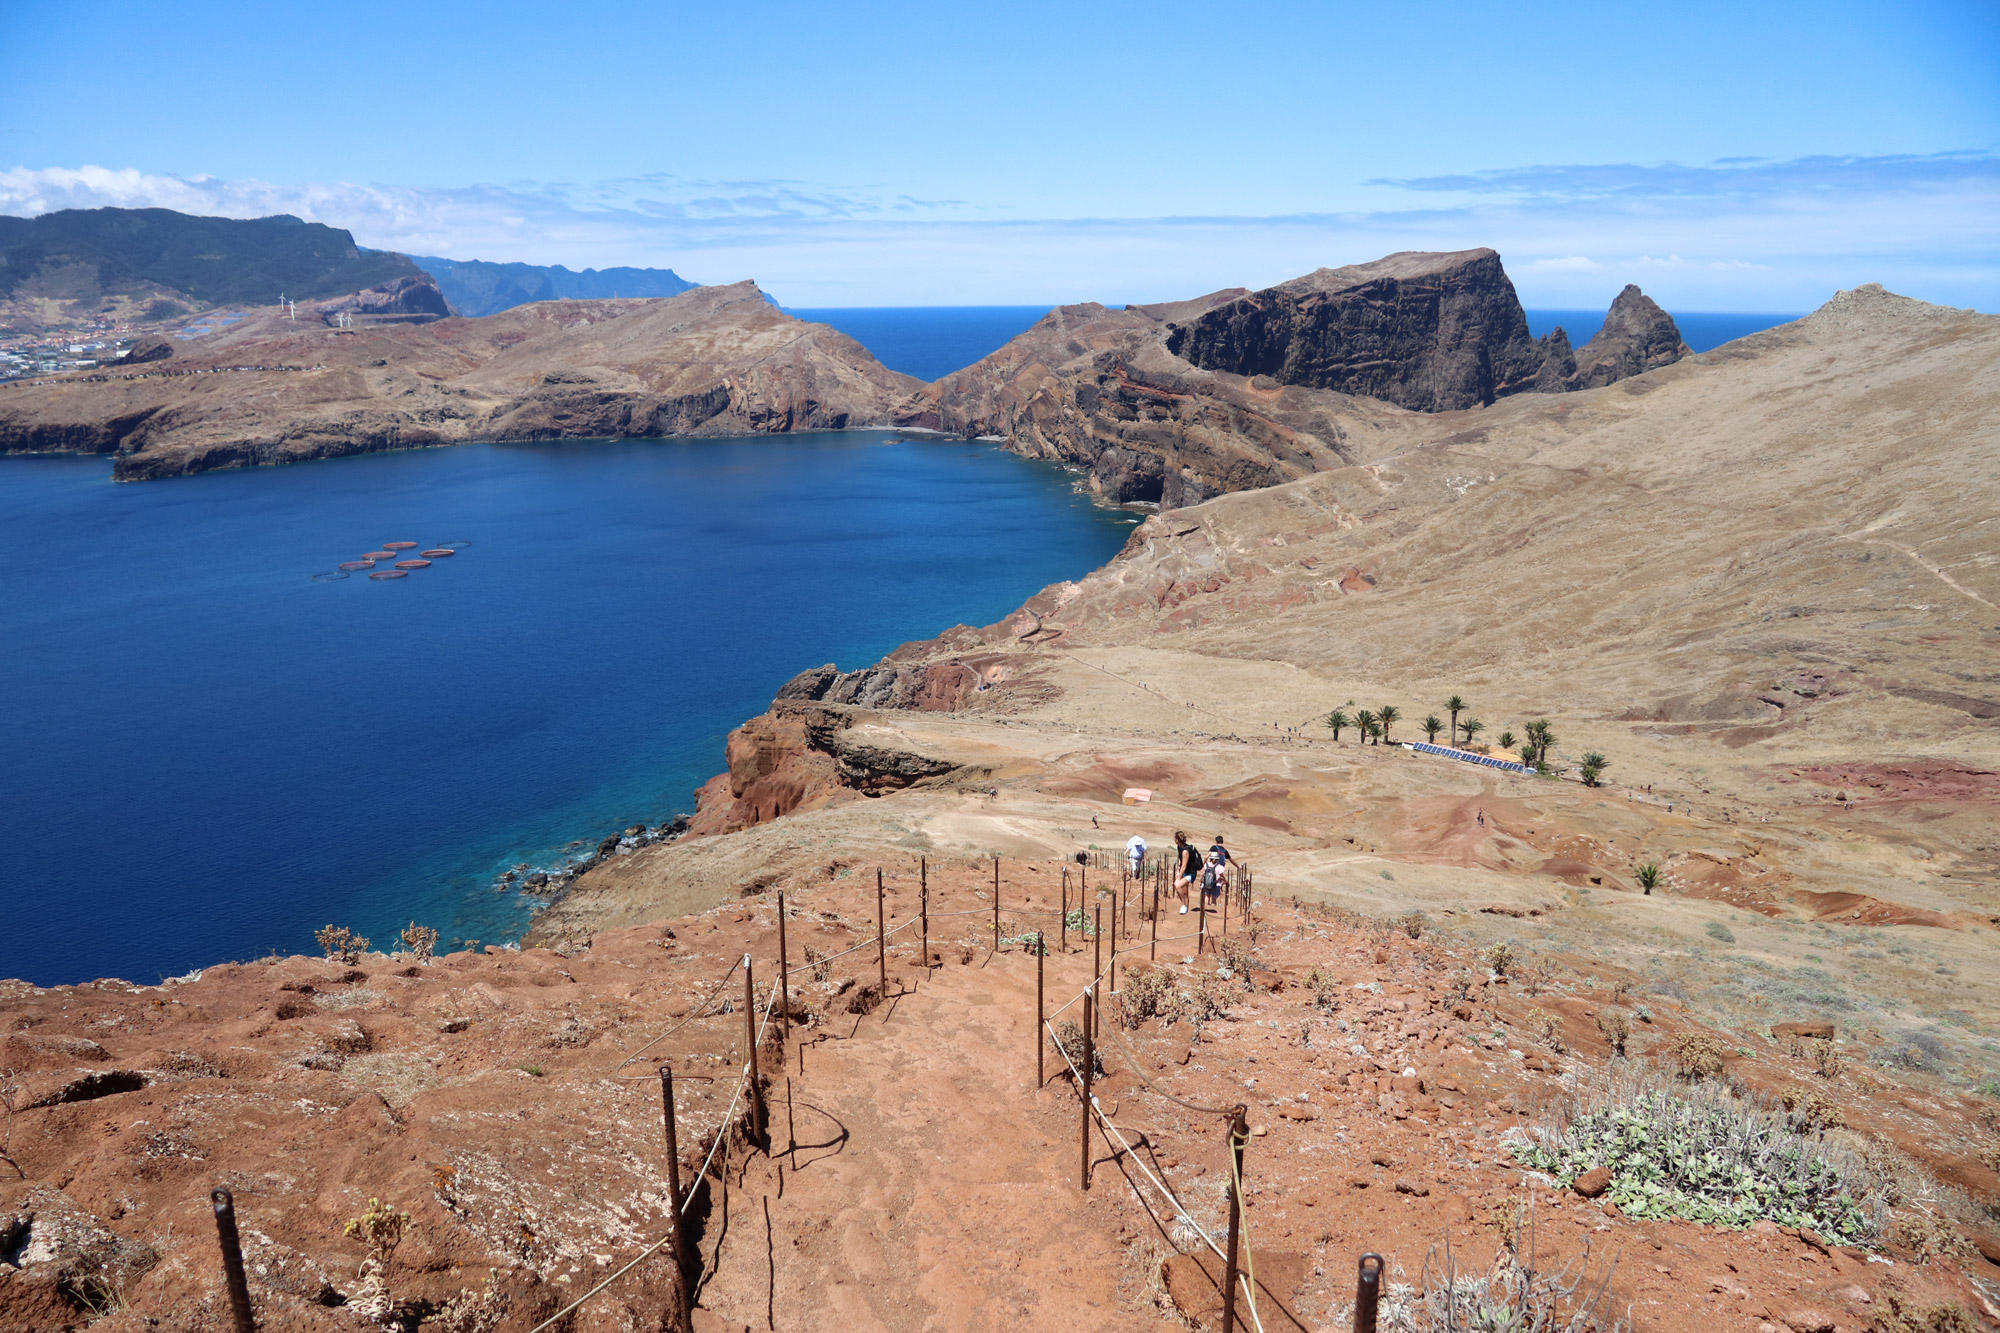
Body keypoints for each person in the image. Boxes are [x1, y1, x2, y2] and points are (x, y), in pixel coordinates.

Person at [1174, 831, 1200, 914]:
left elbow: (1184, 866)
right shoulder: (1179, 848)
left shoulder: (1185, 851)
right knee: (1185, 891)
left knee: (1177, 885)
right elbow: (1180, 861)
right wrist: (1178, 871)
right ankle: (1186, 907)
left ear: (1177, 840)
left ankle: (1183, 905)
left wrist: (1178, 878)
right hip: (1185, 872)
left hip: (1190, 873)